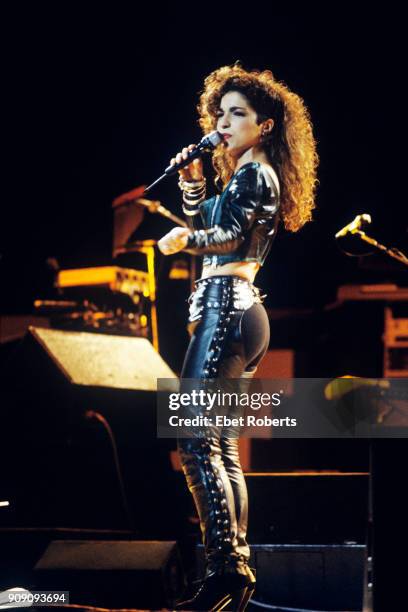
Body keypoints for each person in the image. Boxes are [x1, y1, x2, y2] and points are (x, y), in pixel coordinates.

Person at [158, 63, 318, 610]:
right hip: (237, 310)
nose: (224, 123)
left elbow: (225, 239)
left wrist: (185, 239)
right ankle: (232, 569)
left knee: (195, 440)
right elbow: (215, 220)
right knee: (219, 444)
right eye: (220, 113)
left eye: (237, 114)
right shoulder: (249, 172)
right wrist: (194, 183)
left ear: (266, 124)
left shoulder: (257, 173)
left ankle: (226, 568)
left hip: (228, 308)